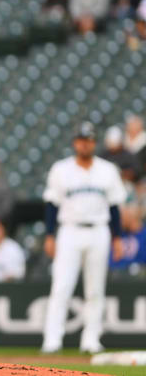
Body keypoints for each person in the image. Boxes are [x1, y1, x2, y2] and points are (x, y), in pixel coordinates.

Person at [41, 122, 127, 354]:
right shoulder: (61, 169)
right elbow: (51, 204)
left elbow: (115, 207)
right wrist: (50, 235)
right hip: (69, 230)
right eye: (81, 140)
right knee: (61, 286)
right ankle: (52, 340)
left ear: (94, 142)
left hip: (99, 230)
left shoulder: (107, 170)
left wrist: (117, 238)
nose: (84, 143)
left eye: (88, 140)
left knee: (95, 289)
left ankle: (91, 340)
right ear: (74, 143)